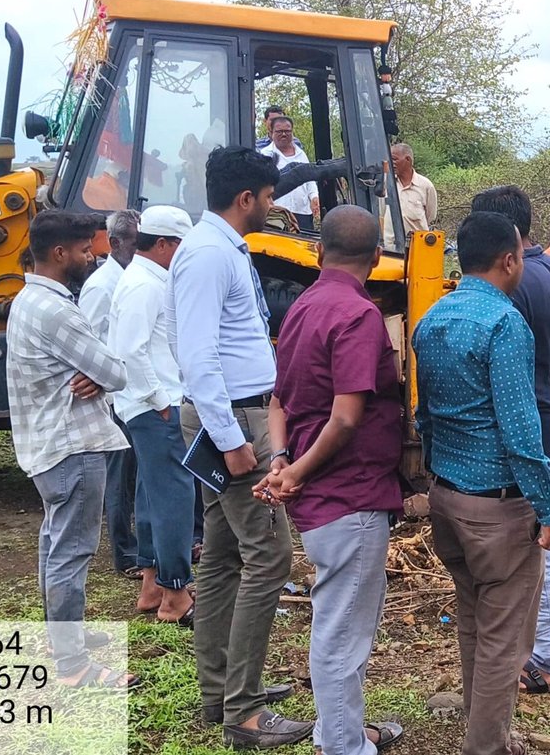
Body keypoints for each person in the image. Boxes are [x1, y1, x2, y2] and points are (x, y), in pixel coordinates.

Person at [172, 146, 310, 749]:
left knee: (225, 553)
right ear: (246, 198)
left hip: (233, 413)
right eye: (269, 195)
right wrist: (231, 440)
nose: (274, 205)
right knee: (270, 556)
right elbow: (197, 354)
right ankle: (245, 712)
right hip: (231, 417)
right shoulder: (207, 256)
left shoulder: (219, 249)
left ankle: (220, 690)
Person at [414, 211, 550, 755]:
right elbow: (523, 435)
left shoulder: (432, 318)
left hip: (447, 499)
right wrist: (549, 512)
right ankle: (487, 746)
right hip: (498, 514)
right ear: (509, 259)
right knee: (506, 641)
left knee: (474, 622)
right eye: (522, 256)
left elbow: (425, 415)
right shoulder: (505, 325)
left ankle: (485, 725)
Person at [255, 205, 406, 755]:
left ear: (318, 252)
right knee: (343, 634)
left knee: (335, 622)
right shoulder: (359, 316)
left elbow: (279, 399)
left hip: (317, 495)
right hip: (350, 496)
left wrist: (281, 461)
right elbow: (345, 418)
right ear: (374, 258)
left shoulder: (302, 307)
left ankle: (336, 729)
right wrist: (293, 469)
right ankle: (343, 745)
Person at [6, 209, 137, 689]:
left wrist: (96, 375)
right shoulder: (58, 310)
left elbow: (99, 370)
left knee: (53, 542)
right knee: (71, 551)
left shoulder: (28, 300)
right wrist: (101, 375)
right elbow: (117, 371)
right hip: (72, 444)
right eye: (85, 249)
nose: (92, 255)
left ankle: (64, 636)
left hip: (46, 442)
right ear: (59, 253)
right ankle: (73, 664)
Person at [467, 186, 550, 696]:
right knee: (537, 546)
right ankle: (536, 648)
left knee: (540, 549)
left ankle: (544, 657)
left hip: (520, 429)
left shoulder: (506, 284)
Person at [109, 205, 195, 626]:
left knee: (150, 493)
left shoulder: (141, 279)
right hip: (154, 407)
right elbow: (130, 350)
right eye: (181, 246)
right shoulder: (145, 285)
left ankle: (151, 585)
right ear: (163, 244)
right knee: (175, 496)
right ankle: (176, 594)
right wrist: (161, 400)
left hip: (145, 407)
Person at [79, 209, 143, 580]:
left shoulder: (131, 277)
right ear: (116, 243)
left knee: (133, 475)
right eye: (136, 243)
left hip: (131, 390)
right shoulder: (103, 285)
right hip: (114, 395)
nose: (141, 249)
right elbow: (87, 341)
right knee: (119, 476)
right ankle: (125, 552)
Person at [261, 116, 319, 231]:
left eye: (287, 131)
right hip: (277, 213)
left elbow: (310, 180)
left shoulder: (301, 154)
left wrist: (314, 197)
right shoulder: (265, 155)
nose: (283, 134)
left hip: (302, 211)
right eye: (279, 131)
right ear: (271, 132)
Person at [384, 143, 437, 241]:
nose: (391, 163)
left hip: (417, 247)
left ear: (407, 160)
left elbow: (430, 216)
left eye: (394, 159)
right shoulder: (386, 183)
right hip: (390, 248)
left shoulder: (426, 186)